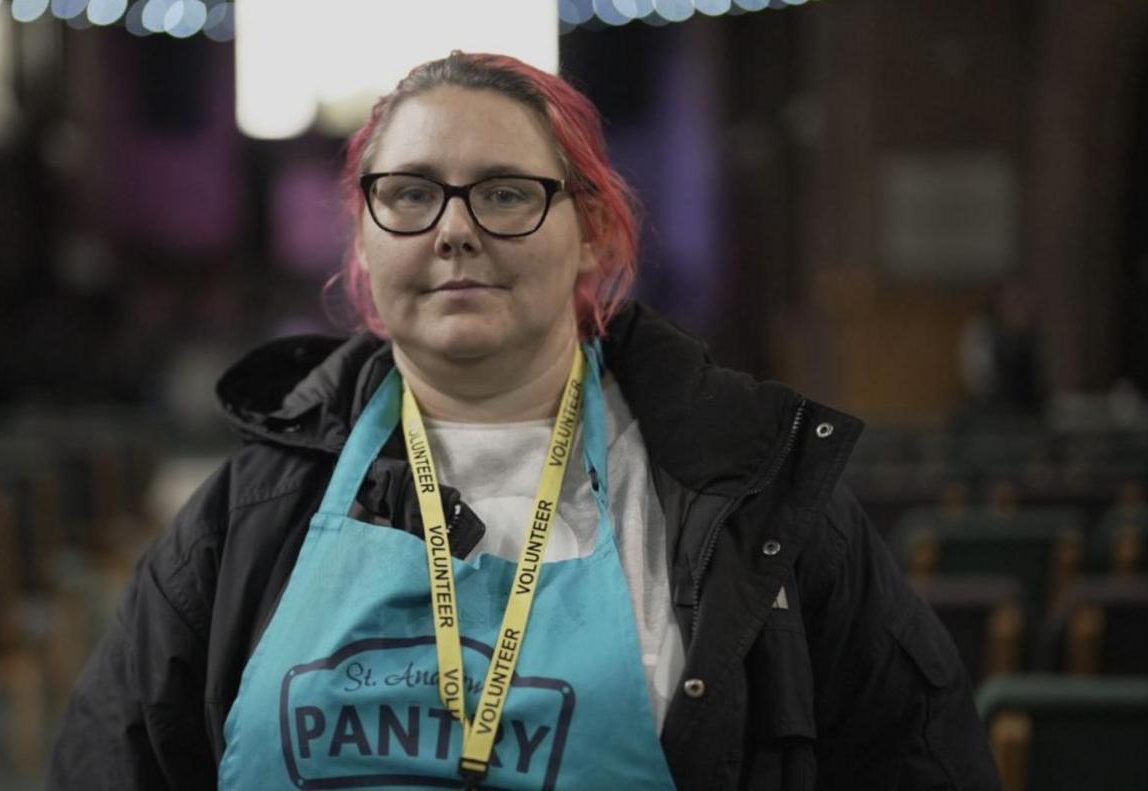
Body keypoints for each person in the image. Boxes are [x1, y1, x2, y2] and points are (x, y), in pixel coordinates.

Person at [50, 52, 998, 790]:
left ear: (591, 230)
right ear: (365, 242)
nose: (454, 228)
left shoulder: (756, 502)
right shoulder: (243, 517)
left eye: (505, 191)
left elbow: (923, 761)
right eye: (411, 194)